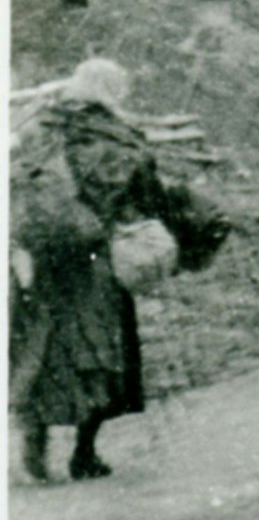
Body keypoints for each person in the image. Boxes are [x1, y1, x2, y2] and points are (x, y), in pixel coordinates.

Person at [10, 59, 230, 483]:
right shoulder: (115, 135)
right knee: (103, 352)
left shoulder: (41, 126)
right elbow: (145, 192)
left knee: (41, 348)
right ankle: (84, 453)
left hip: (43, 260)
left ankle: (35, 441)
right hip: (97, 259)